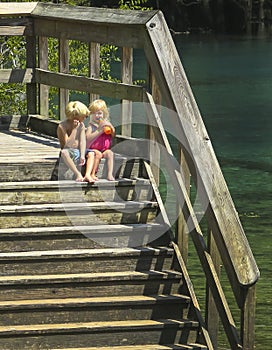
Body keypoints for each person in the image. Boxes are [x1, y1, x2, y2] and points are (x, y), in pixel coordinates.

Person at [57, 100, 96, 182]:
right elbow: (68, 145)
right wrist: (74, 129)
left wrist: (82, 155)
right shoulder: (62, 126)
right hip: (69, 151)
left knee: (91, 153)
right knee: (64, 152)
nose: (85, 118)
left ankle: (87, 175)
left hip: (79, 151)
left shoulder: (81, 125)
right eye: (84, 116)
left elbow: (82, 141)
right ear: (76, 116)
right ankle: (78, 174)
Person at [86, 99, 115, 181]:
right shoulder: (91, 126)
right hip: (92, 149)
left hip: (104, 149)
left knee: (110, 153)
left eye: (99, 113)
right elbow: (87, 139)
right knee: (97, 154)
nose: (97, 116)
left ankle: (110, 174)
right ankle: (93, 173)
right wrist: (99, 131)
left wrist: (111, 128)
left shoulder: (106, 124)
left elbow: (113, 135)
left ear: (104, 114)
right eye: (94, 113)